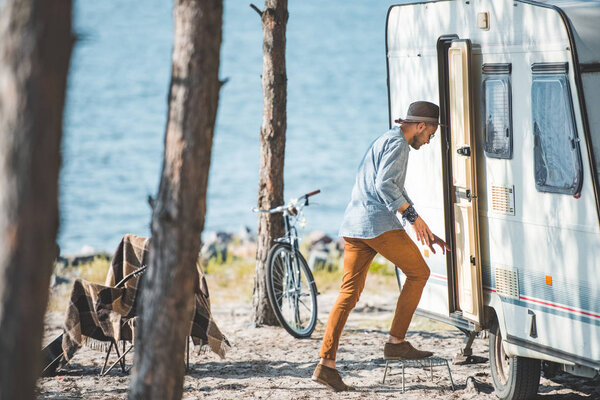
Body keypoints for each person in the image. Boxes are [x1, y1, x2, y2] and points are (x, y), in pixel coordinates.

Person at [312, 101, 450, 392]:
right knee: (419, 273)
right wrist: (413, 219)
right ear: (421, 125)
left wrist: (422, 224)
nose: (429, 141)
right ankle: (396, 343)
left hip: (354, 225)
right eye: (431, 134)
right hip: (377, 225)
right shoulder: (399, 144)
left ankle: (326, 364)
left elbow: (391, 185)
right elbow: (385, 185)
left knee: (348, 294)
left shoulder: (385, 139)